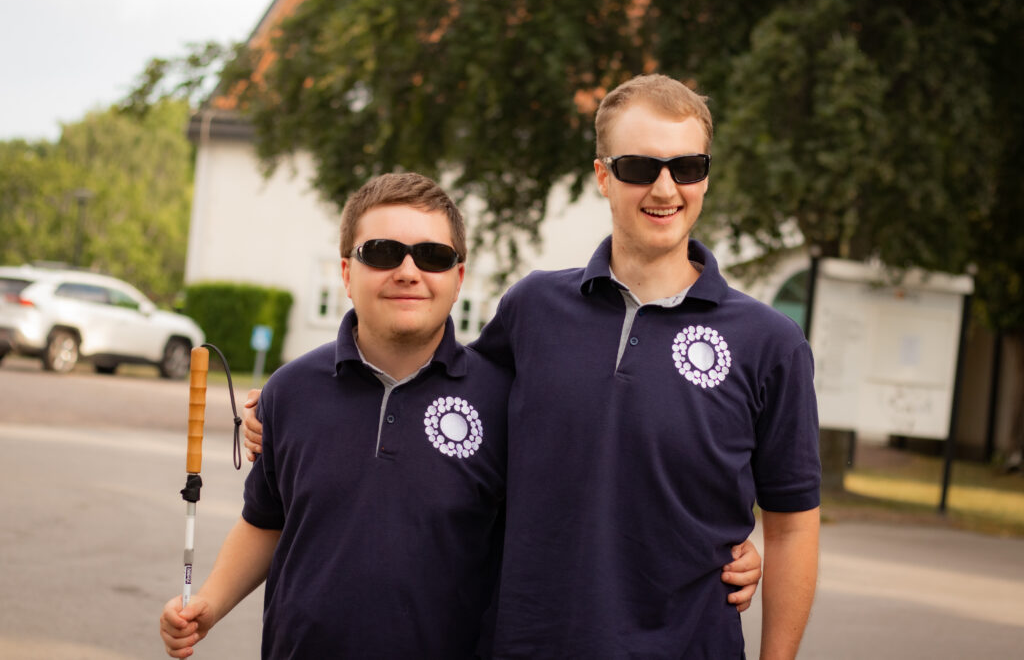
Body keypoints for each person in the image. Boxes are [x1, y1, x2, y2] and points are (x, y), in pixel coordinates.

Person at [243, 74, 806, 657]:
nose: (665, 187)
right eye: (640, 166)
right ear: (603, 176)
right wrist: (288, 406)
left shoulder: (770, 343)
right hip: (528, 642)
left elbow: (792, 525)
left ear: (705, 175)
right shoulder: (534, 309)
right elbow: (433, 385)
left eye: (687, 166)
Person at [160, 173, 514, 658]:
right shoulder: (290, 391)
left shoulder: (505, 402)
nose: (409, 272)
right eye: (383, 253)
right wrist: (209, 602)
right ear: (346, 274)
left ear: (459, 278)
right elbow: (267, 521)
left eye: (432, 256)